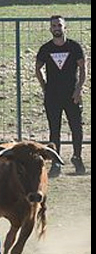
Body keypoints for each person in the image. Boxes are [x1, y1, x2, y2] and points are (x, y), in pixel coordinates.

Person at [35, 16, 86, 177]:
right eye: (54, 26)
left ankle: (77, 158)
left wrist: (78, 89)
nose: (57, 28)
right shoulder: (45, 49)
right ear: (50, 29)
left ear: (65, 27)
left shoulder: (74, 47)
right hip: (53, 96)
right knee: (54, 130)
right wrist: (44, 87)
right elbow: (38, 68)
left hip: (72, 95)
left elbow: (83, 68)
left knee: (76, 128)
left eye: (59, 25)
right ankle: (56, 163)